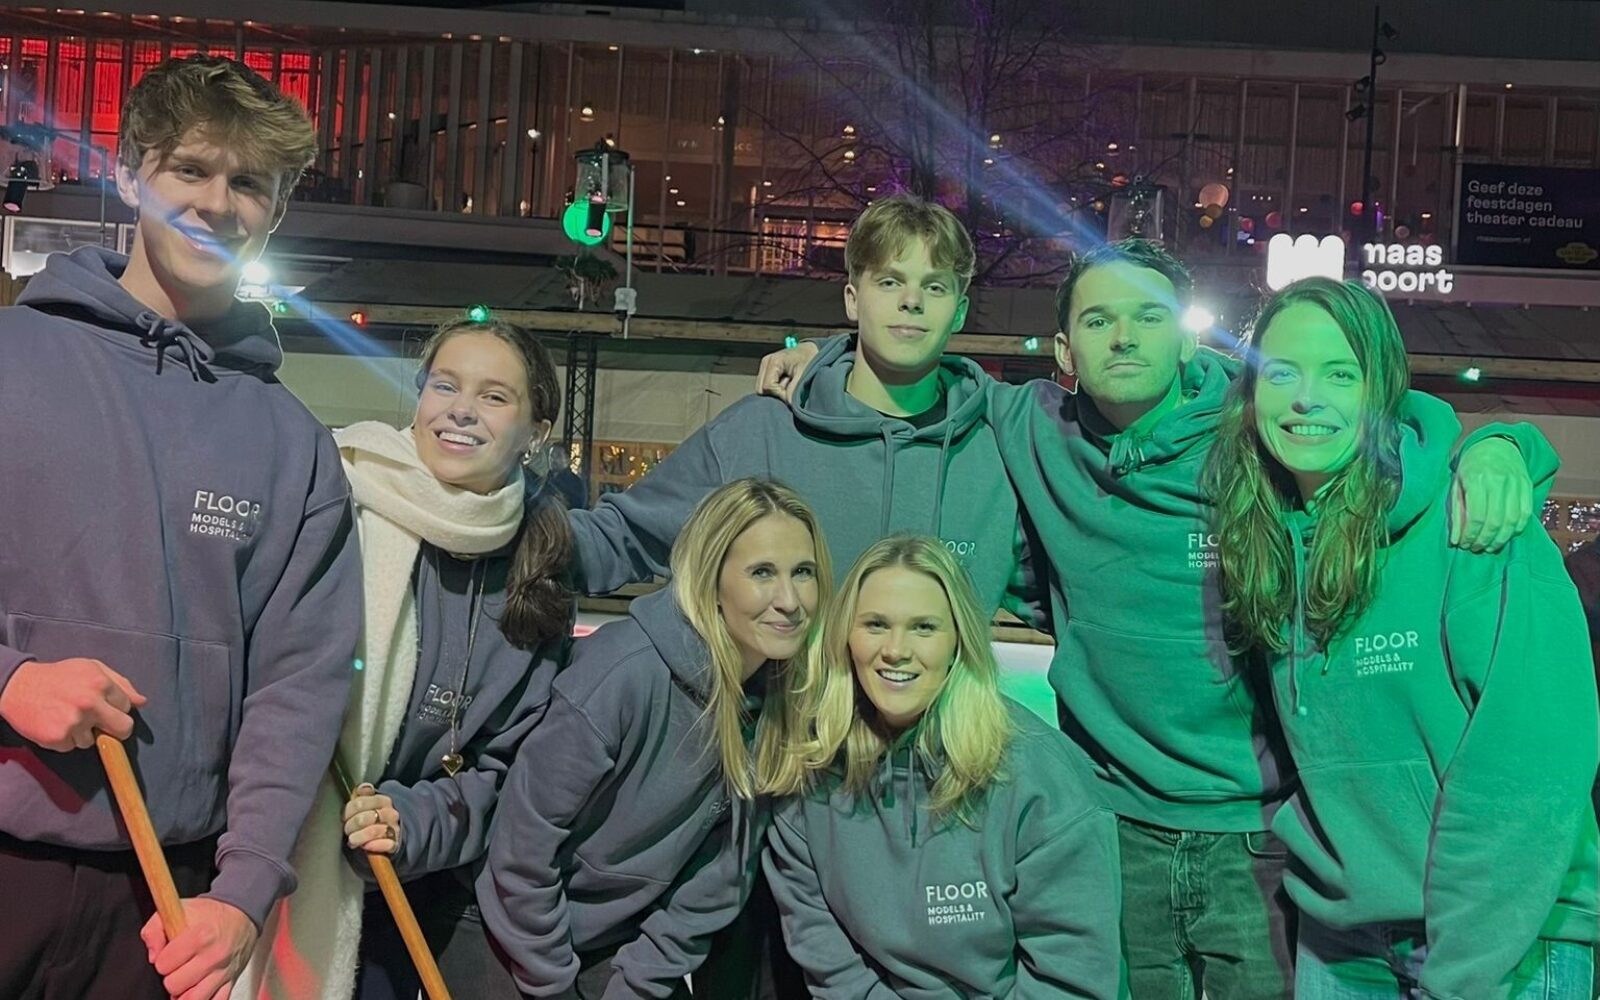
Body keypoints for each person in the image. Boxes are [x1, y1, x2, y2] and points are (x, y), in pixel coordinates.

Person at [759, 237, 1549, 999]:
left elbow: (1372, 406)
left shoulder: (1257, 433)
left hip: (1263, 830)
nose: (1124, 336)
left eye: (1148, 316)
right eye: (1098, 319)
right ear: (1065, 352)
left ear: (1187, 339)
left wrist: (1502, 445)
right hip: (1113, 820)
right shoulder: (1034, 429)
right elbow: (920, 376)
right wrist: (825, 359)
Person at [0, 55, 363, 1000]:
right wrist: (10, 680)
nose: (216, 204)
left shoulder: (292, 445)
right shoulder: (11, 360)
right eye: (191, 169)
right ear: (130, 175)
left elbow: (299, 688)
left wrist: (243, 894)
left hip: (168, 900)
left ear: (275, 211)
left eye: (249, 183)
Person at [1204, 276, 1597, 999]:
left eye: (1340, 373)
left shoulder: (1473, 527)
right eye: (1281, 373)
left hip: (1504, 943)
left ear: (1381, 389)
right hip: (1342, 937)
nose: (1305, 398)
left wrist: (1463, 971)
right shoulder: (1270, 545)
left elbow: (1529, 772)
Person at [235, 317, 575, 999]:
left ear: (537, 432)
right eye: (444, 385)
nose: (461, 410)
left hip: (396, 885)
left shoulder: (536, 568)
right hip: (253, 849)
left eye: (494, 396)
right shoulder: (330, 493)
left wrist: (412, 820)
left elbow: (507, 768)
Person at [479, 478, 832, 998]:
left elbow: (716, 882)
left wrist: (639, 982)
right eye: (762, 572)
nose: (789, 600)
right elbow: (522, 848)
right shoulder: (626, 673)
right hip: (508, 924)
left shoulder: (783, 699)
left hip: (614, 940)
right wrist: (552, 982)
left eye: (803, 572)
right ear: (712, 579)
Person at [761, 535, 1123, 998]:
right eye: (875, 624)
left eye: (924, 627)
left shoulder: (1040, 779)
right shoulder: (810, 773)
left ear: (958, 641)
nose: (896, 649)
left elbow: (1072, 974)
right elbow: (833, 966)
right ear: (845, 637)